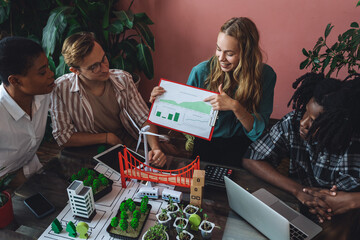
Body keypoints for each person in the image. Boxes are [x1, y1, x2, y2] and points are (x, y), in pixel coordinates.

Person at [150, 17, 276, 167]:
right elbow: (183, 117)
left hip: (243, 144)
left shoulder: (266, 76)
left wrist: (235, 107)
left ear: (247, 53)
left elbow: (258, 132)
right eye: (218, 49)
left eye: (229, 53)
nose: (221, 58)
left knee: (237, 183)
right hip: (206, 142)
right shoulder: (200, 71)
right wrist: (161, 101)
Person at [242, 72, 360, 226]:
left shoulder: (355, 141)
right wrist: (299, 190)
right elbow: (252, 158)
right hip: (303, 216)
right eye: (306, 111)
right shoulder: (293, 122)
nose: (303, 123)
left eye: (313, 121)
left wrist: (352, 201)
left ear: (336, 126)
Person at [50, 32, 166, 167]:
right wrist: (106, 137)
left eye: (104, 59)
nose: (105, 69)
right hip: (89, 151)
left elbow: (143, 118)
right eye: (94, 67)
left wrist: (155, 148)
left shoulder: (123, 79)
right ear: (75, 71)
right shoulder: (61, 89)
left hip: (127, 142)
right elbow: (63, 137)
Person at [0, 36, 55, 187]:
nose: (51, 74)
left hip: (34, 174)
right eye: (42, 72)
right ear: (15, 81)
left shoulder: (44, 92)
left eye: (48, 67)